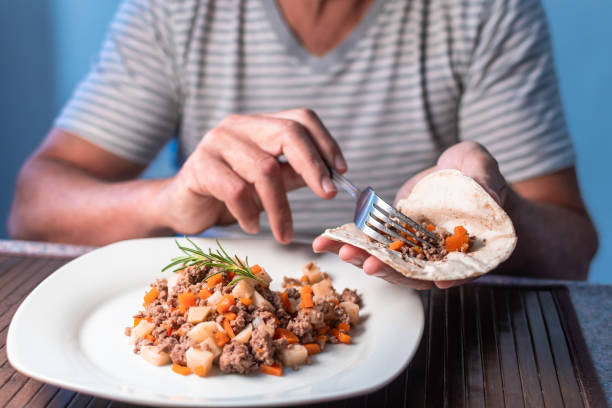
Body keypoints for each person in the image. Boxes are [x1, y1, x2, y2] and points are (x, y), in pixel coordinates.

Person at [8, 0, 597, 289]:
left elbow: (572, 251)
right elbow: (34, 210)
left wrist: (490, 208)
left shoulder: (484, 12)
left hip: (439, 342)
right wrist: (168, 203)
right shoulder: (174, 11)